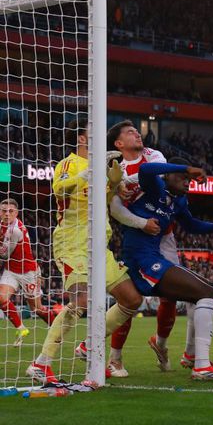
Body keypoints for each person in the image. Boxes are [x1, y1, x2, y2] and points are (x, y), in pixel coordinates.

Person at [27, 118, 144, 385]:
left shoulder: (103, 167)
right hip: (72, 244)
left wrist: (114, 184)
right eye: (93, 133)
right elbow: (58, 188)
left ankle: (88, 345)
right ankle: (41, 363)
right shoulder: (69, 163)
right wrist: (84, 175)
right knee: (81, 300)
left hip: (99, 246)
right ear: (81, 139)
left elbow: (108, 200)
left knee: (131, 300)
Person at [117, 157, 213, 381]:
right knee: (207, 293)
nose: (187, 182)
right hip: (139, 260)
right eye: (183, 178)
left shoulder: (179, 202)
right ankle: (200, 366)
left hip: (152, 258)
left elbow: (191, 225)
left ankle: (197, 361)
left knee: (203, 294)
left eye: (189, 180)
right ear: (168, 176)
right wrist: (187, 168)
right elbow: (146, 168)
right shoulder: (155, 186)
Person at [105, 120, 177, 376]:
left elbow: (156, 173)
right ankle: (115, 359)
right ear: (118, 144)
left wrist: (121, 182)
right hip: (137, 237)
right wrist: (141, 222)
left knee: (172, 294)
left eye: (137, 130)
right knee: (129, 298)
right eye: (130, 132)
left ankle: (161, 343)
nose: (137, 133)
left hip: (164, 235)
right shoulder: (114, 169)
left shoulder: (152, 154)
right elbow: (115, 209)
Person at [0, 198, 53, 347]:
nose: (6, 214)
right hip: (11, 270)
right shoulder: (2, 224)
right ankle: (21, 328)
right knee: (1, 298)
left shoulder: (16, 230)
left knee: (36, 309)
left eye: (10, 211)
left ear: (16, 213)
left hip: (28, 272)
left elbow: (4, 255)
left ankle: (56, 326)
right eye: (4, 211)